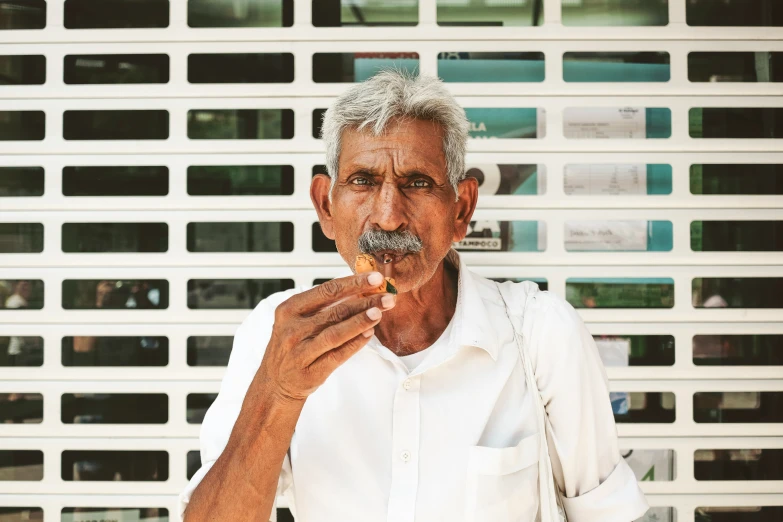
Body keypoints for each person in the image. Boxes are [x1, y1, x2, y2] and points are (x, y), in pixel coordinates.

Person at [179, 70, 649, 522]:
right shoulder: (276, 332)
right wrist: (278, 392)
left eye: (418, 183)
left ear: (461, 208)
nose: (387, 217)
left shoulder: (542, 335)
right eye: (362, 181)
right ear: (325, 206)